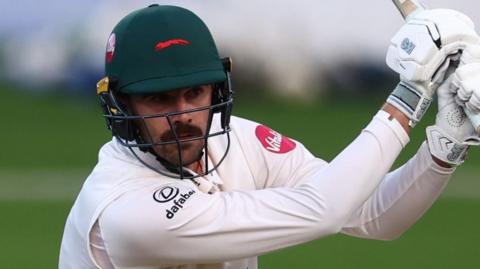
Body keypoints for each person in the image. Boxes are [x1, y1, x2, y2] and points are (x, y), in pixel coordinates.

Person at [59, 4, 480, 269]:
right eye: (159, 99)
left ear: (217, 90)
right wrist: (411, 93)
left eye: (194, 93)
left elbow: (373, 215)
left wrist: (446, 142)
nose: (183, 115)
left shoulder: (239, 141)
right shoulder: (123, 214)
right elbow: (324, 210)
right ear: (122, 105)